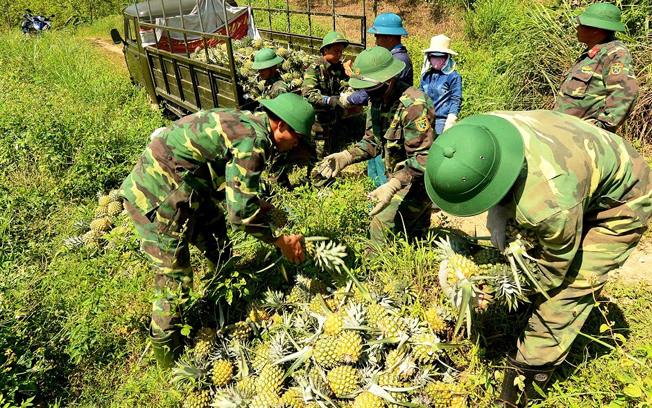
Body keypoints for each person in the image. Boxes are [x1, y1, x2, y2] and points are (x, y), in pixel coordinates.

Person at [424, 109, 652, 407]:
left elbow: (552, 272)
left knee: (567, 291)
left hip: (623, 199)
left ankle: (526, 380)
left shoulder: (548, 205)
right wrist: (500, 212)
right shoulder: (478, 134)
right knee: (523, 245)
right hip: (580, 163)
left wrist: (494, 290)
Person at [120, 93, 315, 369]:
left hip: (186, 185)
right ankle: (169, 362)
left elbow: (219, 165)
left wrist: (250, 197)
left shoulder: (247, 121)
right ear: (281, 126)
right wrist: (280, 241)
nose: (297, 143)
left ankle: (221, 292)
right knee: (174, 279)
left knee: (216, 232)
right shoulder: (255, 141)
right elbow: (241, 216)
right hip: (156, 193)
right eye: (297, 137)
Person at [317, 47, 436, 246]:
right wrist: (347, 156)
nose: (366, 94)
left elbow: (424, 156)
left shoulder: (414, 105)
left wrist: (394, 184)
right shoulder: (377, 100)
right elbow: (372, 141)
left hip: (417, 183)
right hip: (397, 180)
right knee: (413, 238)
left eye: (369, 87)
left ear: (387, 79)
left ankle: (373, 271)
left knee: (380, 225)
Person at [345, 12, 414, 187]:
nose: (375, 40)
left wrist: (349, 99)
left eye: (378, 36)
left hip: (390, 122)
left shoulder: (398, 61)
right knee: (374, 163)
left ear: (390, 37)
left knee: (385, 167)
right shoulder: (392, 58)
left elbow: (369, 91)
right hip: (380, 118)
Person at [555, 2, 639, 133]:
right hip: (565, 131)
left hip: (583, 136)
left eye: (582, 25)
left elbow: (625, 93)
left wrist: (601, 126)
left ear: (595, 30)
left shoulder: (614, 53)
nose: (577, 28)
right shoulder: (591, 54)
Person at [301, 31, 351, 158]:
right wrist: (328, 100)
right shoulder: (315, 69)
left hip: (333, 119)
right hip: (318, 122)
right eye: (336, 51)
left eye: (341, 51)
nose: (339, 55)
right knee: (319, 156)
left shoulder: (338, 68)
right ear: (326, 50)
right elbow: (308, 93)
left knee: (331, 153)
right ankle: (315, 176)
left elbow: (344, 84)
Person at [419, 35, 462, 134]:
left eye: (441, 56)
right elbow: (420, 98)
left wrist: (450, 121)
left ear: (447, 57)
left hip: (442, 122)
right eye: (434, 56)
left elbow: (456, 99)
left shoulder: (453, 76)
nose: (437, 60)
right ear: (429, 57)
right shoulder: (425, 76)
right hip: (425, 120)